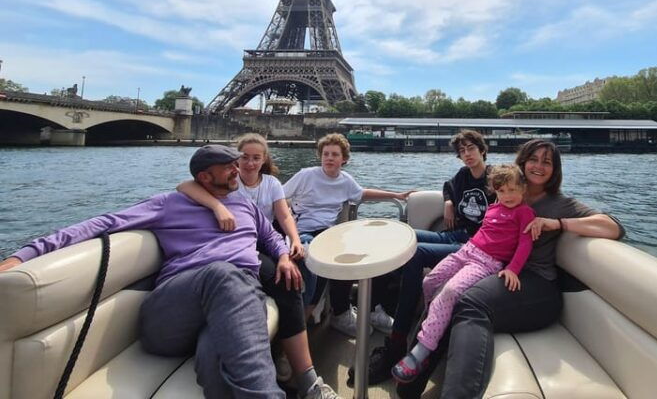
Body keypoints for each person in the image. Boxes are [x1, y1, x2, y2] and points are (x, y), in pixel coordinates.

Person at [0, 145, 316, 399]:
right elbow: (103, 223)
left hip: (235, 300)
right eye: (229, 166)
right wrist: (24, 255)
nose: (238, 169)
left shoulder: (245, 206)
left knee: (215, 361)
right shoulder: (169, 204)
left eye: (237, 163)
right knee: (223, 274)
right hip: (175, 309)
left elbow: (269, 236)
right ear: (205, 177)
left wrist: (283, 257)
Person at [396, 139, 625, 399]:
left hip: (537, 285)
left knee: (469, 302)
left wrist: (558, 223)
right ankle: (408, 381)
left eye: (547, 162)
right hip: (498, 269)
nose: (539, 166)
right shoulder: (509, 191)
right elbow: (468, 195)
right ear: (523, 162)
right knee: (444, 289)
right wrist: (450, 202)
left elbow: (613, 227)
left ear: (555, 170)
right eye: (533, 159)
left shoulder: (560, 203)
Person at [176, 134, 337, 398]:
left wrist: (294, 242)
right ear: (235, 161)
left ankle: (297, 334)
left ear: (264, 160)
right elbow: (185, 186)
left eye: (256, 158)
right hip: (240, 244)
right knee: (284, 280)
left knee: (301, 268)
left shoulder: (271, 183)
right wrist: (217, 206)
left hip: (267, 240)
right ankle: (292, 356)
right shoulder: (229, 181)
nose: (250, 163)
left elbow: (284, 215)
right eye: (245, 158)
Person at [364, 130, 494, 383]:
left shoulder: (494, 177)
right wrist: (448, 202)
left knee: (415, 253)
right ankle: (376, 306)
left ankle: (398, 338)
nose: (467, 154)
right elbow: (448, 187)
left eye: (471, 148)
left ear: (482, 150)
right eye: (462, 151)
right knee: (400, 236)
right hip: (455, 235)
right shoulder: (463, 176)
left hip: (473, 246)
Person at [392, 165, 535, 383]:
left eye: (513, 190)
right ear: (495, 191)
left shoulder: (524, 212)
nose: (507, 196)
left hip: (487, 262)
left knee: (450, 291)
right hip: (467, 250)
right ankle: (435, 321)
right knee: (430, 281)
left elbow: (525, 244)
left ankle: (424, 350)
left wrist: (512, 269)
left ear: (523, 189)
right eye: (502, 191)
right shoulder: (494, 207)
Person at [283, 133, 413, 337]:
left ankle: (364, 309)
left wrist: (395, 195)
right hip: (303, 231)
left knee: (364, 251)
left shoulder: (345, 181)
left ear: (343, 159)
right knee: (315, 259)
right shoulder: (305, 175)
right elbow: (279, 197)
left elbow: (362, 193)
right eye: (326, 154)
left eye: (335, 154)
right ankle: (312, 321)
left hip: (328, 232)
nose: (329, 158)